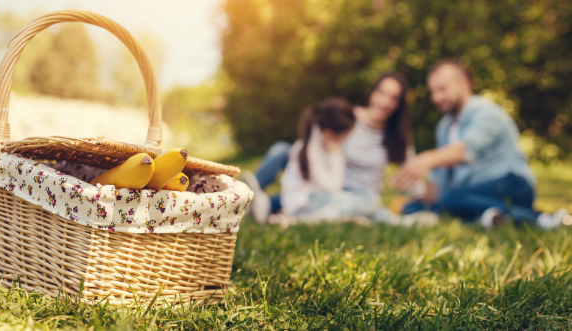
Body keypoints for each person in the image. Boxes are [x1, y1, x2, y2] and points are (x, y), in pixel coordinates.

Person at [391, 59, 569, 229]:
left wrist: (426, 159)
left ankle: (541, 220)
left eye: (442, 89)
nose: (435, 97)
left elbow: (466, 150)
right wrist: (419, 196)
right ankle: (489, 218)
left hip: (513, 185)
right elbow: (439, 183)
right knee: (415, 207)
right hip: (469, 195)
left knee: (452, 199)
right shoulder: (444, 127)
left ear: (464, 83)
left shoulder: (487, 113)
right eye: (432, 92)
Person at [244, 73, 436, 226]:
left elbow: (413, 179)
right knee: (283, 154)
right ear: (372, 92)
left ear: (399, 105)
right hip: (325, 187)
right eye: (381, 92)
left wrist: (425, 194)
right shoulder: (349, 119)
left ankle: (273, 210)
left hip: (360, 196)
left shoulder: (398, 136)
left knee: (369, 207)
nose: (385, 102)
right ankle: (241, 195)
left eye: (393, 98)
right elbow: (315, 146)